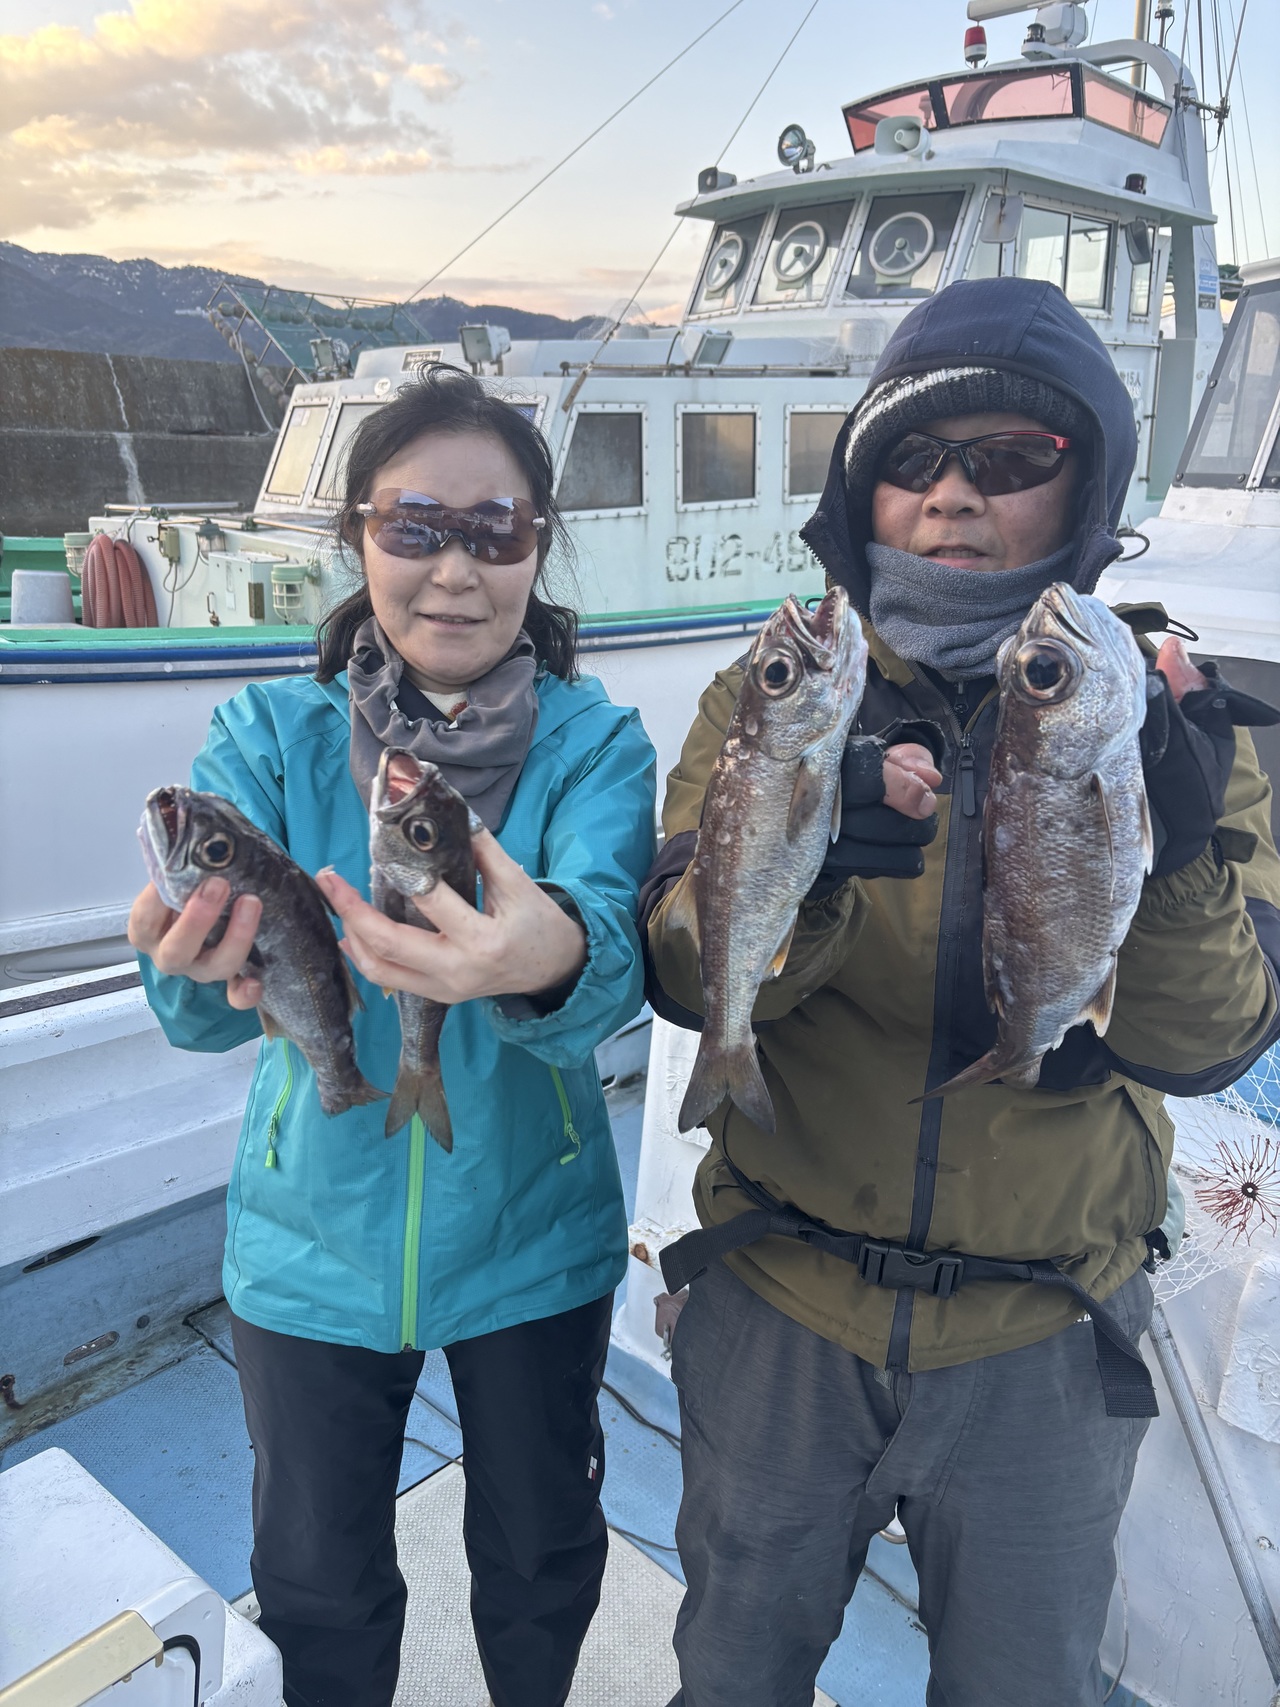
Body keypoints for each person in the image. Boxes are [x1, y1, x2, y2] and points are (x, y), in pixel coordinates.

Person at [642, 276, 1280, 1707]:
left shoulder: (1166, 716)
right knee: (730, 1675)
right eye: (914, 458)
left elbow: (1208, 1043)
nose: (951, 494)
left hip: (1044, 1339)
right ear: (860, 491)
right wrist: (805, 875)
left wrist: (1176, 858)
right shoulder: (774, 696)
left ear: (1086, 485)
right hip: (779, 1309)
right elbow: (684, 968)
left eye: (1009, 459)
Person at [129, 366, 656, 1707]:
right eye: (416, 525)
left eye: (497, 531)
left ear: (539, 546)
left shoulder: (597, 746)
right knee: (314, 1576)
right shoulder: (267, 734)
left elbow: (609, 952)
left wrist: (553, 961)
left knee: (541, 1554)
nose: (456, 570)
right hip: (309, 1241)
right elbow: (198, 1016)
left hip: (534, 1235)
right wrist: (185, 961)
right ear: (359, 537)